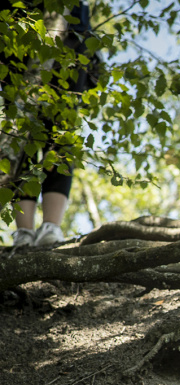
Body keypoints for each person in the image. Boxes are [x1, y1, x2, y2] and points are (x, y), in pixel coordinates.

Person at [3, 0, 95, 248]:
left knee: (62, 138)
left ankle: (51, 228)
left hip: (71, 52)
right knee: (22, 138)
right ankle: (24, 232)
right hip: (19, 49)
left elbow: (83, 22)